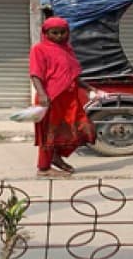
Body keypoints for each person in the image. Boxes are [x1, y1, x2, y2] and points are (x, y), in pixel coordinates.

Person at [30, 17, 96, 176]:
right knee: (50, 132)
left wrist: (89, 88)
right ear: (46, 33)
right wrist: (42, 94)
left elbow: (72, 75)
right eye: (54, 33)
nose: (59, 36)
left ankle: (56, 157)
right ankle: (44, 168)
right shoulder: (39, 49)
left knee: (79, 129)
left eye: (63, 32)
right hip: (51, 98)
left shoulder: (67, 50)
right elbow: (35, 74)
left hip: (69, 99)